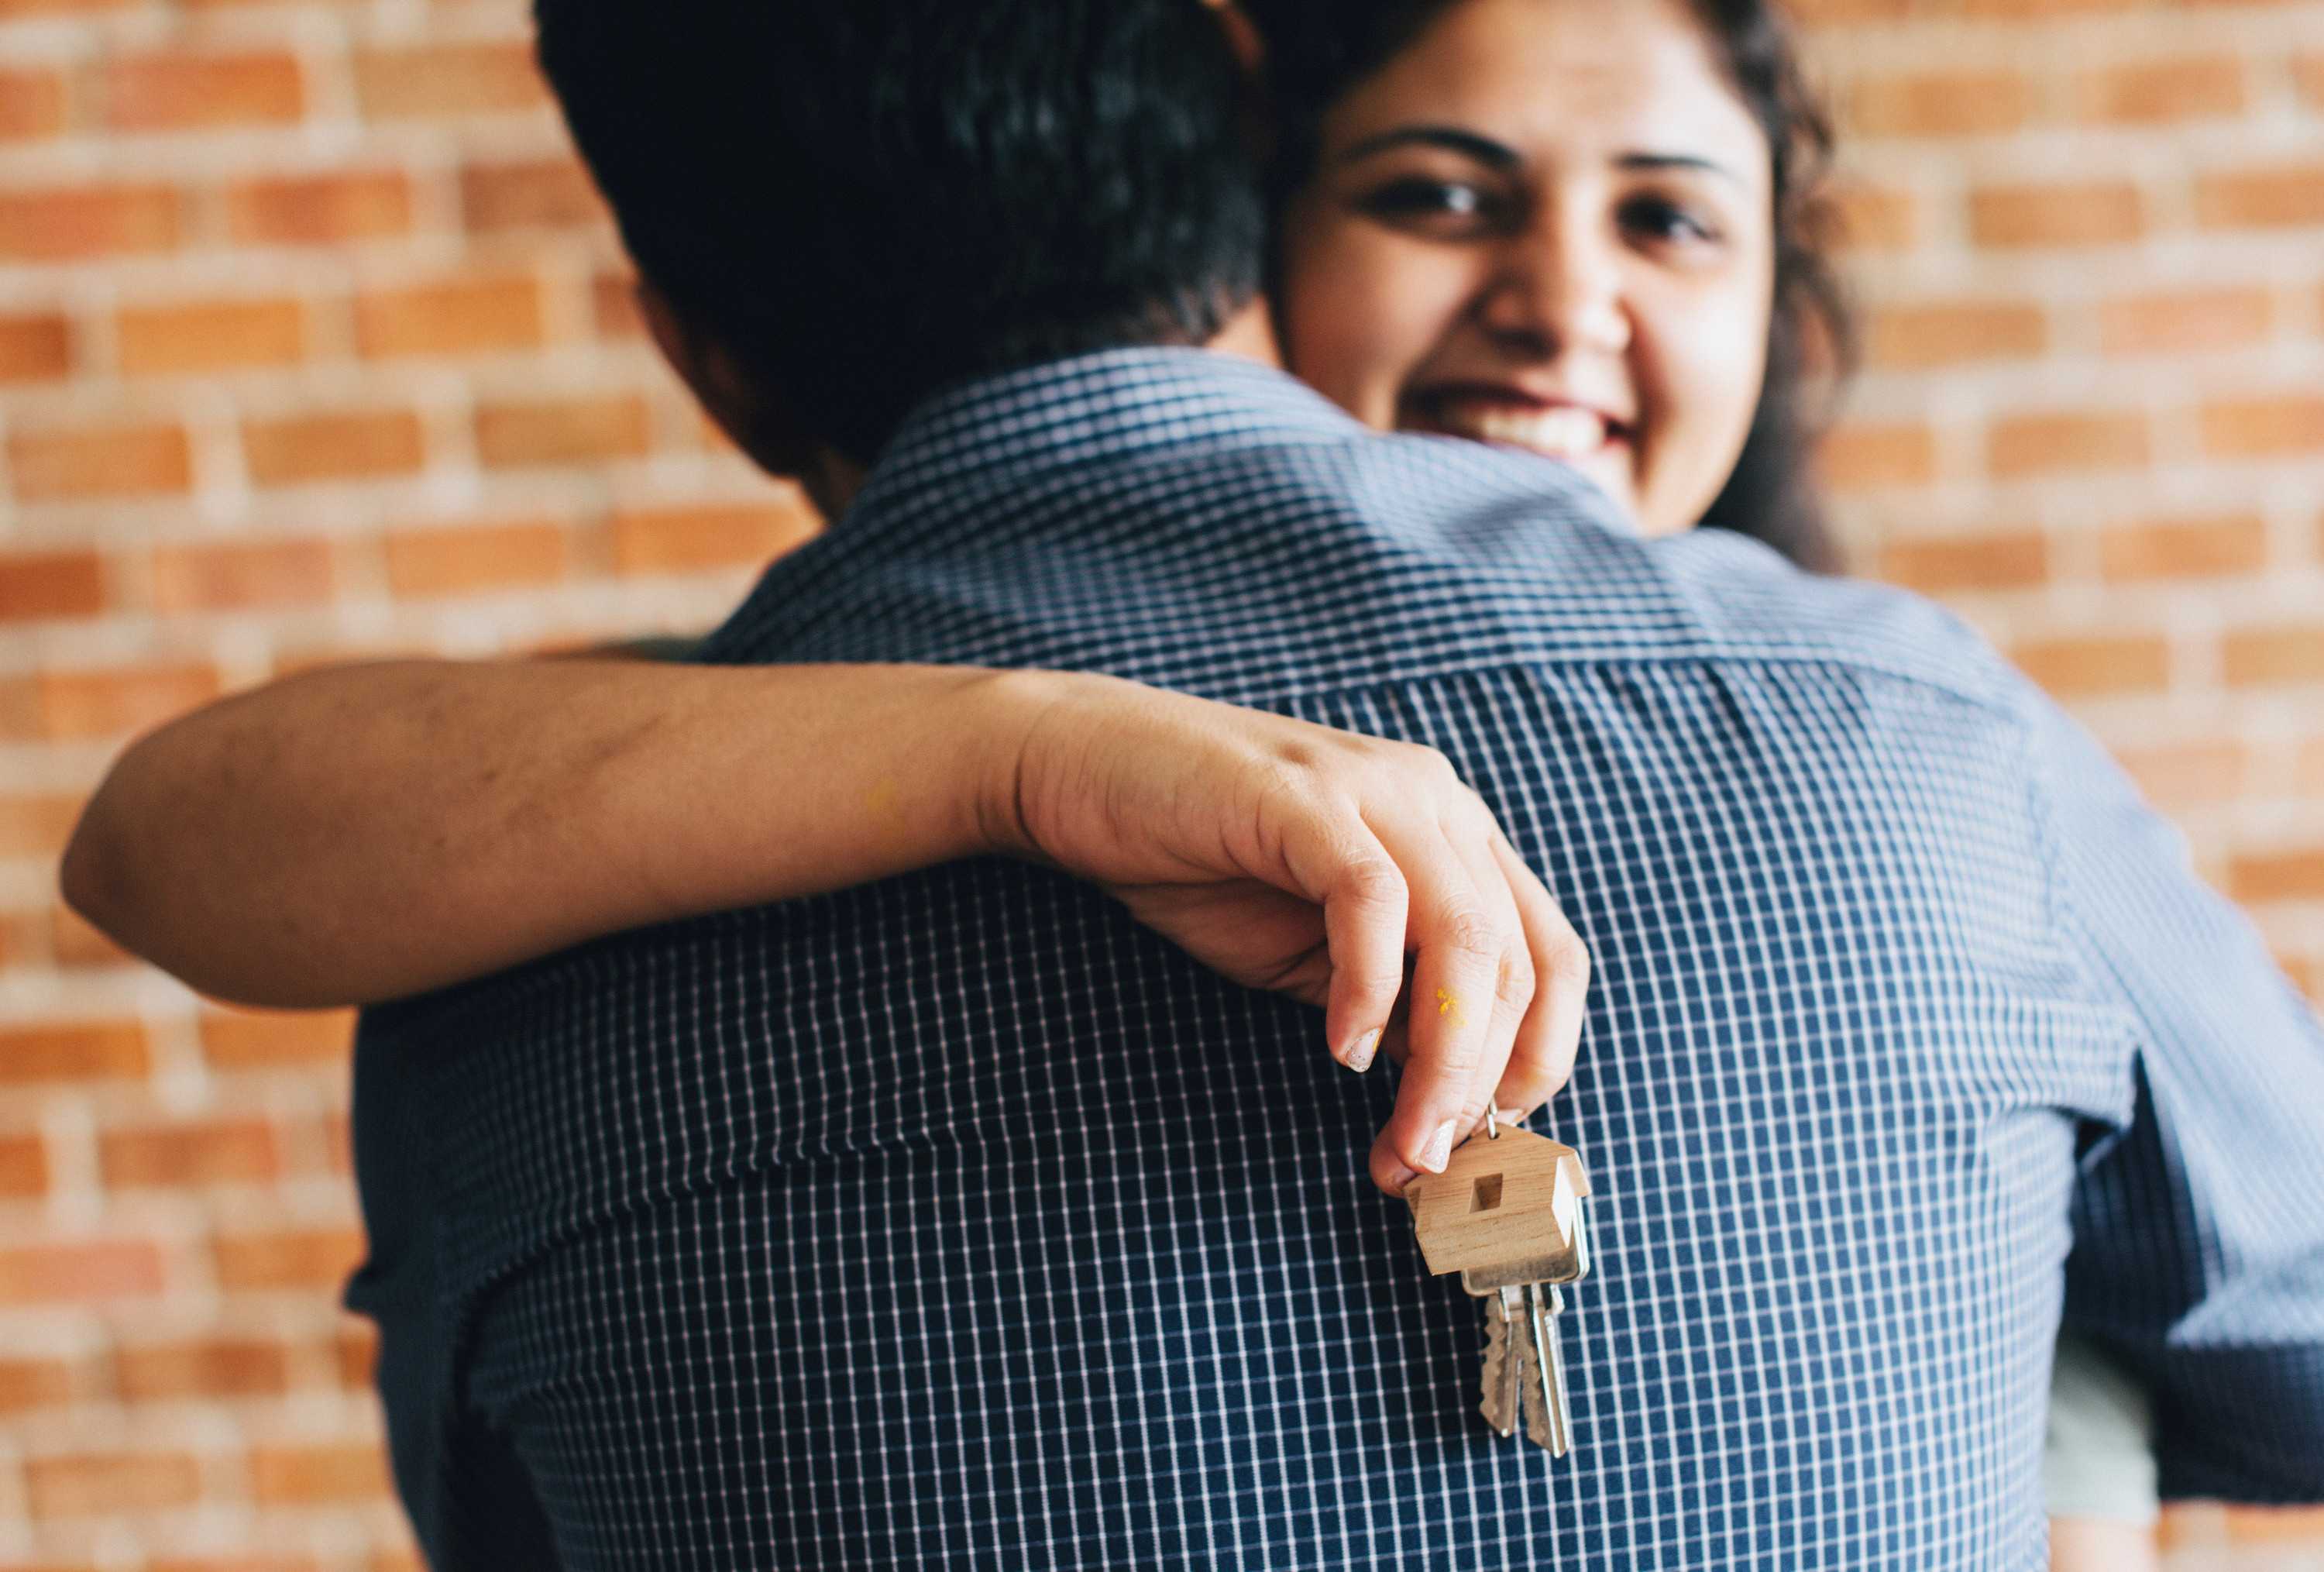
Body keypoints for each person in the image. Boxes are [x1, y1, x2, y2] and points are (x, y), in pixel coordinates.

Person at [65, 0, 2322, 1563]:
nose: (1560, 310)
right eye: (1450, 196)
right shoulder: (1926, 737)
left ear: (690, 342)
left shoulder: (512, 931)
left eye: (1672, 218)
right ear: (1255, 149)